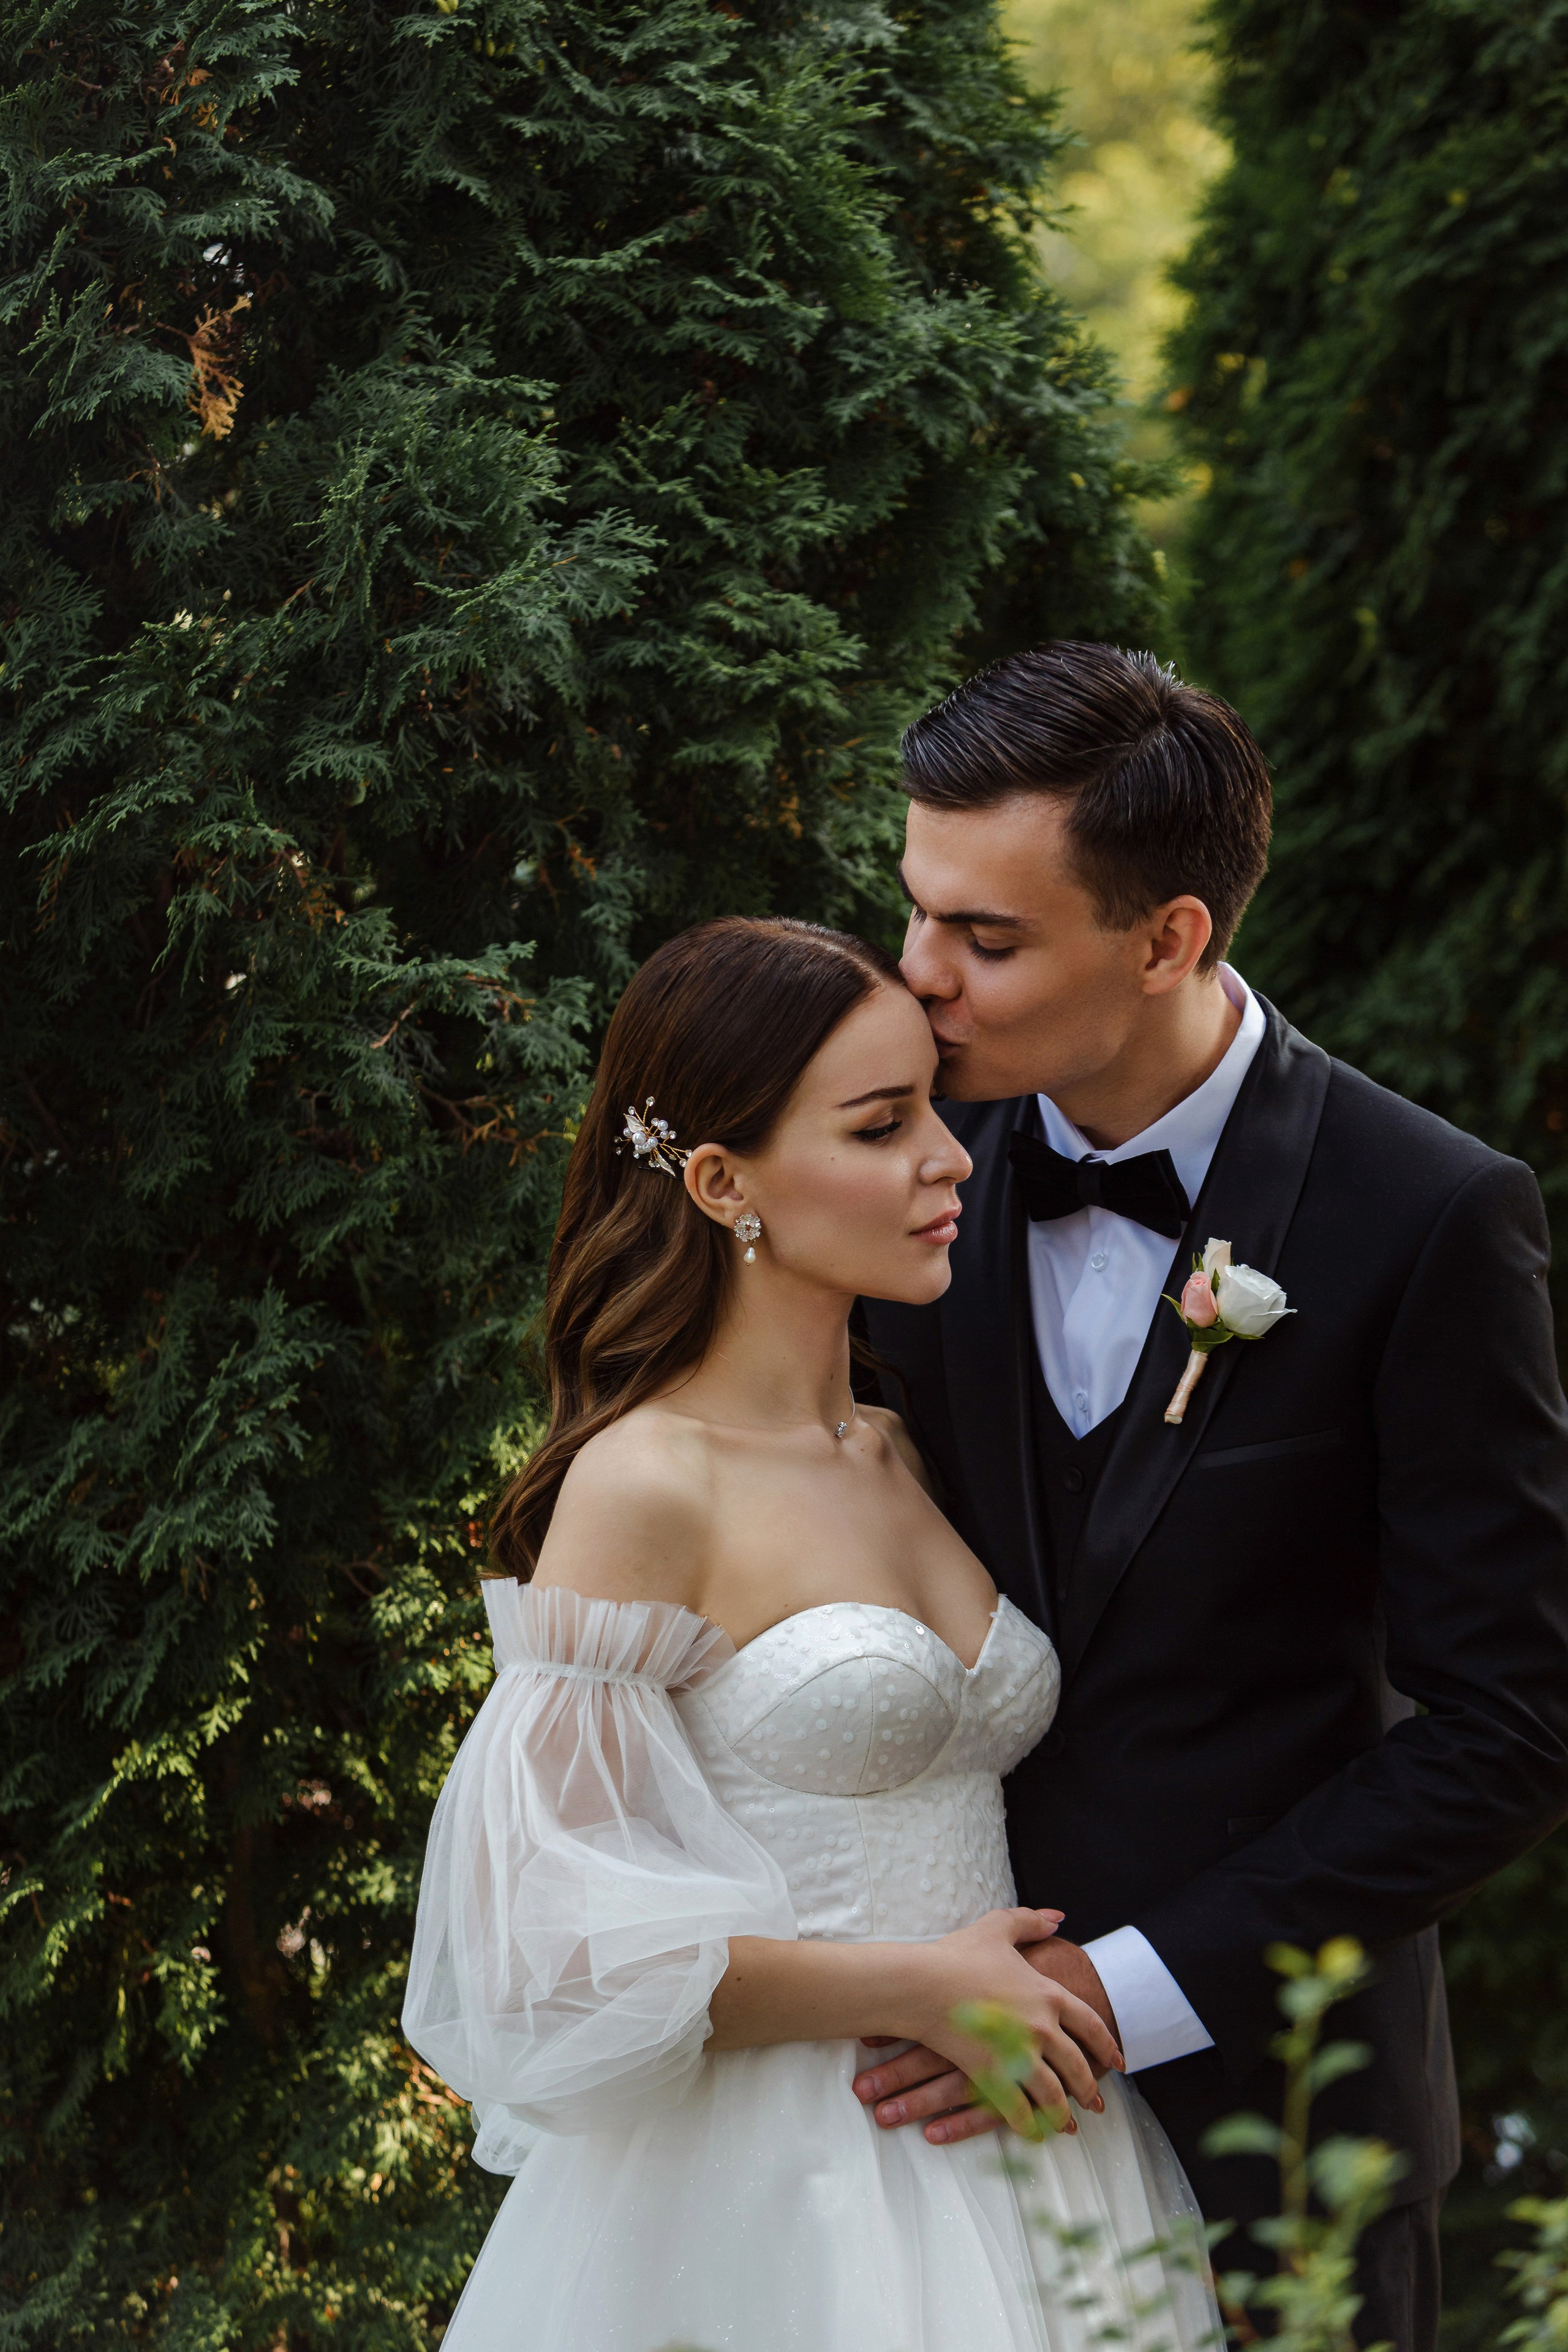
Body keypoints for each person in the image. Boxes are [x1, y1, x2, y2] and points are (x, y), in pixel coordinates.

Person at [851, 641, 1568, 2352]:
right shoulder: (877, 1156)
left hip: (1281, 2130)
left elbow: (1521, 1720)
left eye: (987, 939)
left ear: (1170, 936)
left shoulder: (1428, 1218)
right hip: (905, 2115)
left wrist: (1121, 1986)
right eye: (913, 910)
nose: (917, 977)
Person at [402, 916, 1220, 2352]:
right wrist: (916, 1980)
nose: (950, 1157)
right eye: (879, 1124)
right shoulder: (649, 1482)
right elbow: (548, 1957)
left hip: (1031, 2144)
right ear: (723, 1183)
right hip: (779, 2182)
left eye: (932, 1107)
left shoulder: (901, 1447)